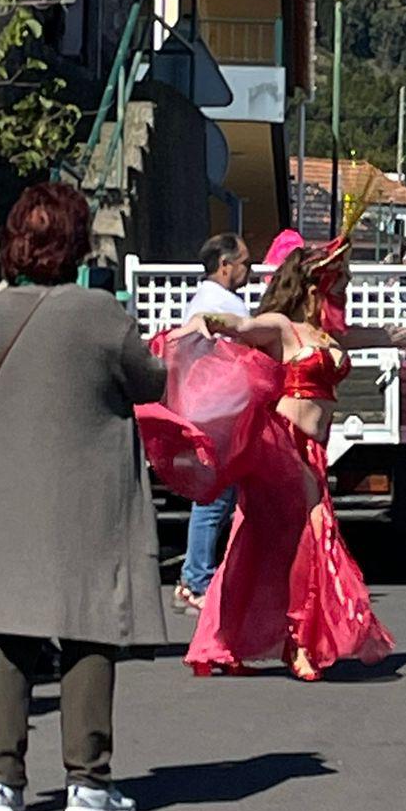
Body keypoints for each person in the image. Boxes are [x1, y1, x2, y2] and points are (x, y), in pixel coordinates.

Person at [163, 229, 406, 680]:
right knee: (315, 534)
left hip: (314, 451)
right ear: (313, 289)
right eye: (337, 288)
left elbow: (388, 334)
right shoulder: (283, 329)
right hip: (281, 447)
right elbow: (239, 326)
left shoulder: (331, 337)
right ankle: (301, 642)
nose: (342, 296)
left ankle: (240, 640)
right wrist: (202, 323)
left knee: (267, 546)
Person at [0, 184, 165, 811]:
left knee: (7, 631)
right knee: (90, 628)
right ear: (76, 244)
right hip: (87, 502)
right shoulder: (100, 313)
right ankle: (88, 782)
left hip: (5, 498)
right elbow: (151, 382)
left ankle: (2, 781)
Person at [175, 232, 253, 611]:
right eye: (245, 263)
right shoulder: (223, 304)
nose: (249, 271)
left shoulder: (203, 299)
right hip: (220, 413)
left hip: (208, 409)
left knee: (219, 499)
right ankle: (197, 579)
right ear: (225, 265)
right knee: (214, 500)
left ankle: (196, 575)